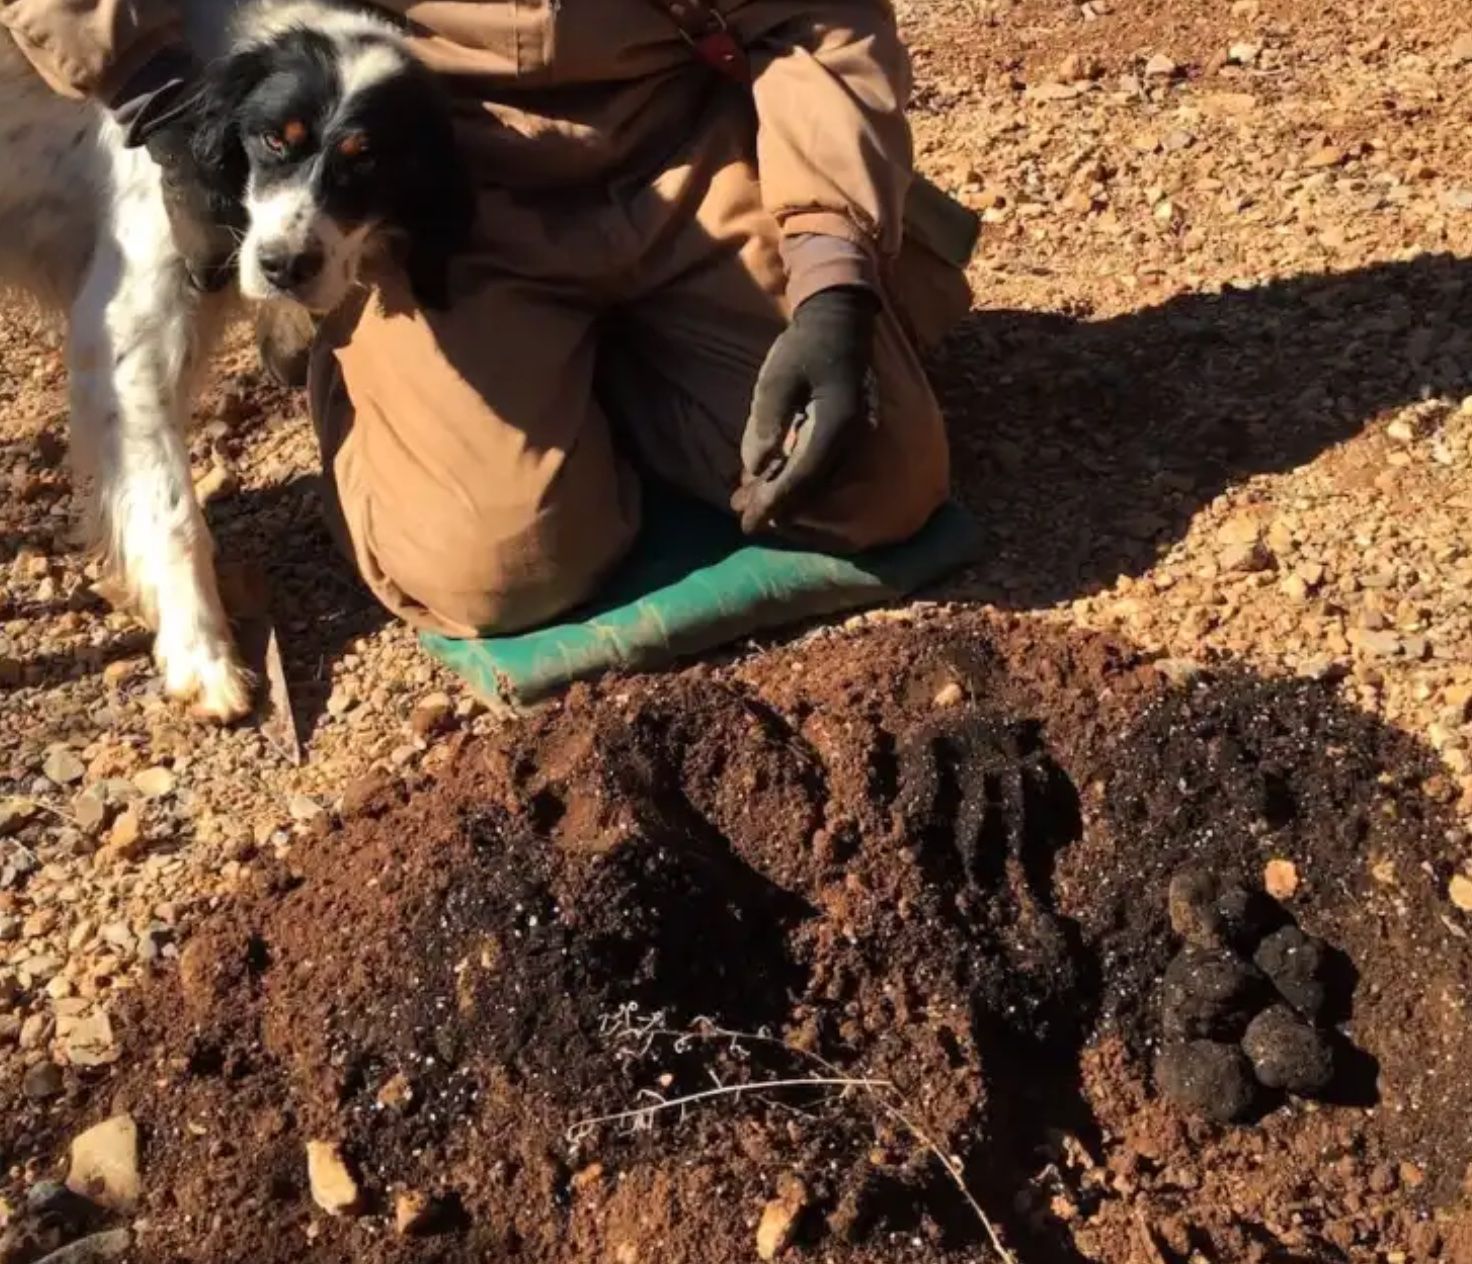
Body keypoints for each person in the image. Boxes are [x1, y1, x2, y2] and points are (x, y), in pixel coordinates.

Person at [3, 0, 967, 638]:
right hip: (417, 184)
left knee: (870, 484)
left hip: (682, 147)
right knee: (506, 570)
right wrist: (149, 81)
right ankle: (354, 376)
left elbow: (820, 27)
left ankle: (623, 369)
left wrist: (833, 279)